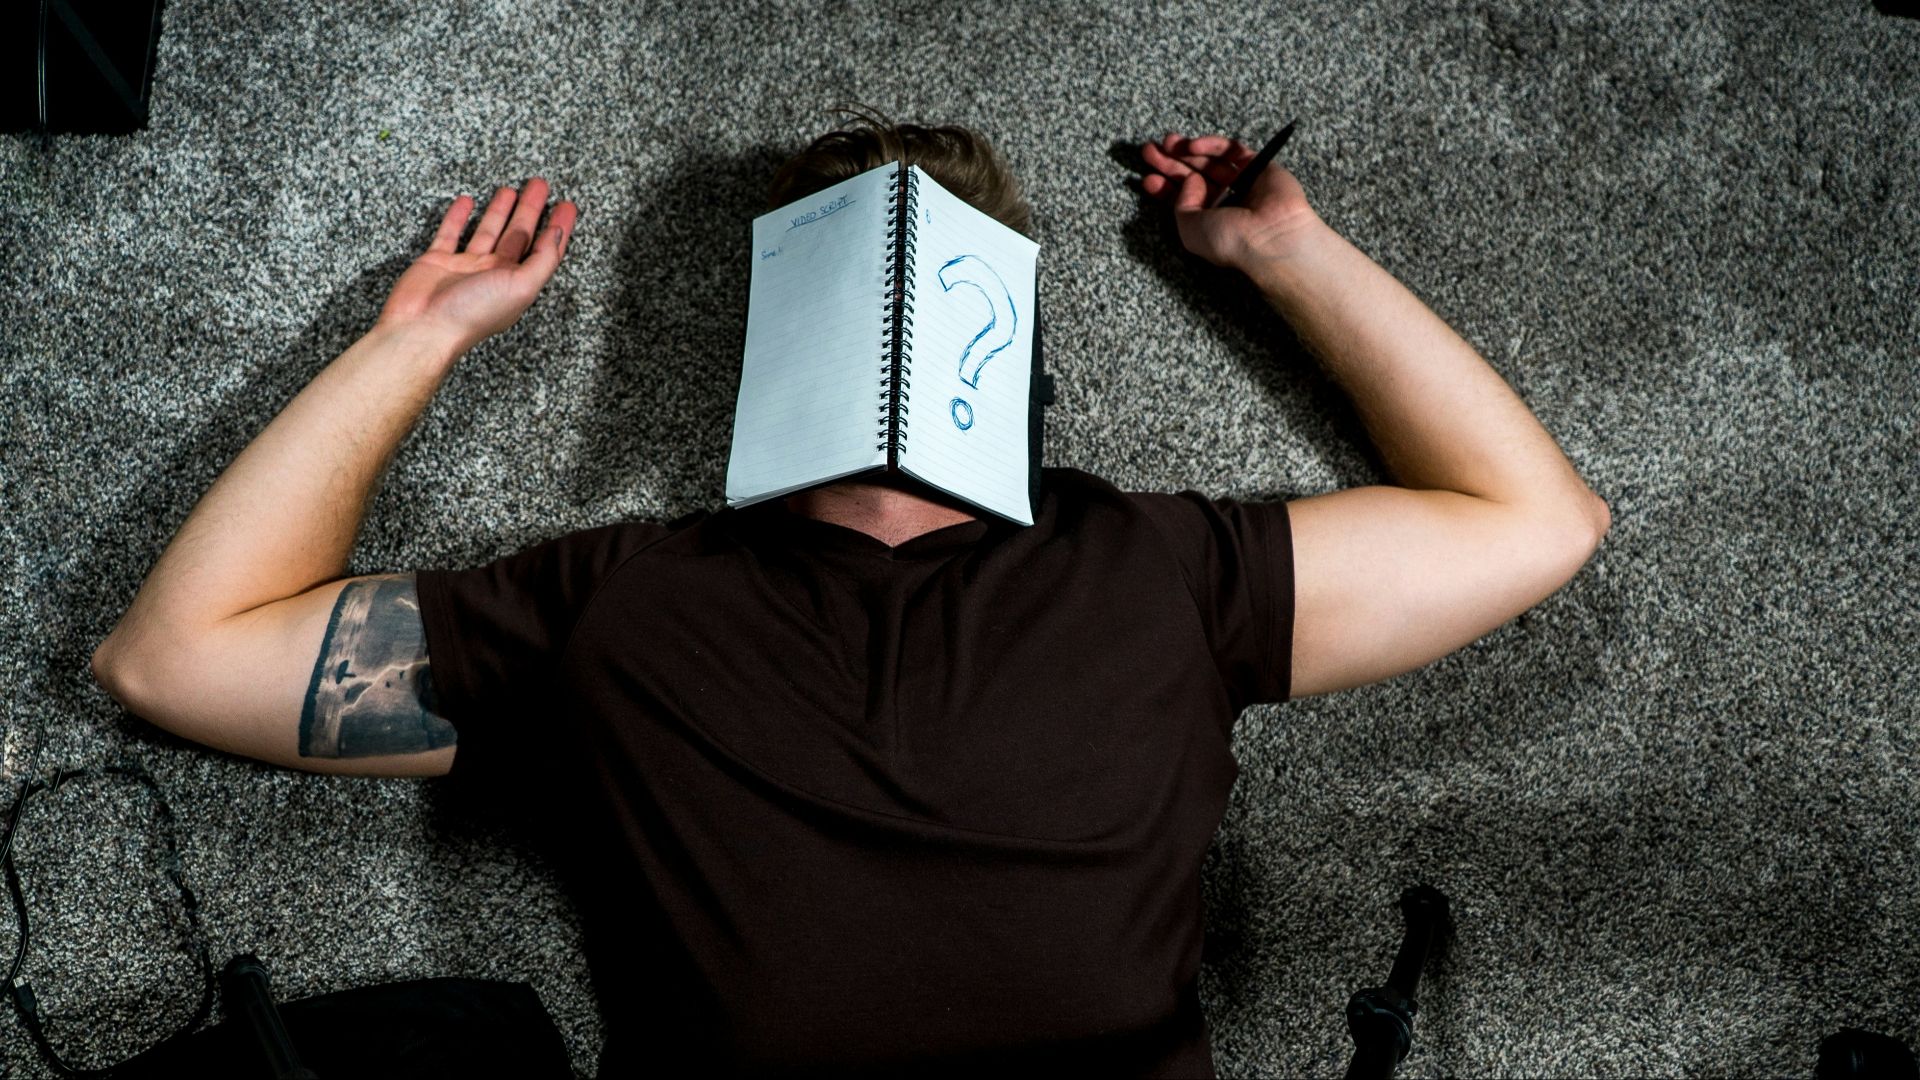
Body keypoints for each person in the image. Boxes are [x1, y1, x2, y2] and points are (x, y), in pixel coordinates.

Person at [89, 106, 1609, 1076]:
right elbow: (1530, 516)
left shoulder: (1154, 568)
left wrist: (416, 340)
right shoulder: (1156, 570)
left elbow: (181, 652)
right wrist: (1286, 252)